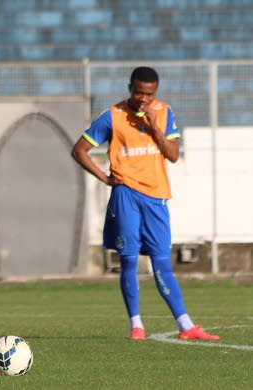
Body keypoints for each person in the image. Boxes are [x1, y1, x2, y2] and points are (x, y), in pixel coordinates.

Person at [70, 66, 220, 341]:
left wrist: (155, 128)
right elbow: (79, 149)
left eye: (149, 94)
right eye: (139, 92)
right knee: (129, 260)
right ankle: (136, 325)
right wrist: (104, 177)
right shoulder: (112, 116)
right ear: (130, 88)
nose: (143, 99)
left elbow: (173, 155)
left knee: (162, 262)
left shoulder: (164, 113)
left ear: (156, 92)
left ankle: (186, 326)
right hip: (125, 194)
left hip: (157, 197)